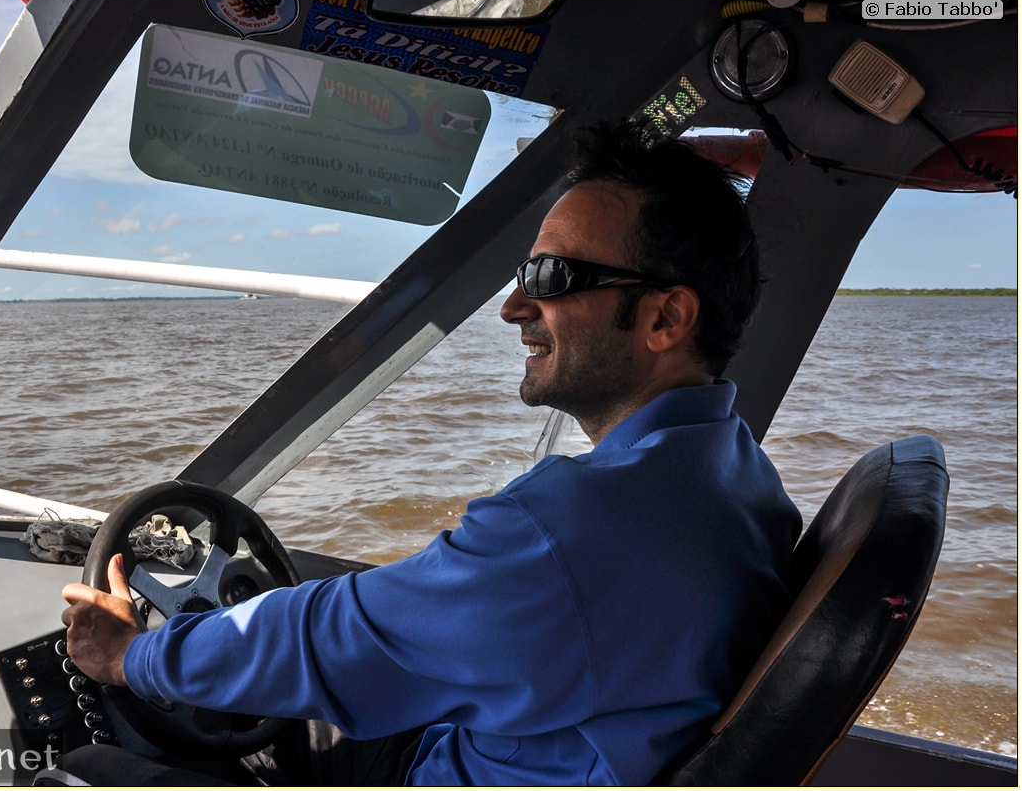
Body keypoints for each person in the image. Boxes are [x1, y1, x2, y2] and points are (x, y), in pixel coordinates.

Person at [50, 120, 802, 786]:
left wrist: (129, 658)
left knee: (86, 774)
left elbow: (337, 637)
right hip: (534, 741)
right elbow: (393, 630)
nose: (513, 307)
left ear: (665, 317)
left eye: (549, 277)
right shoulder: (730, 471)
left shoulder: (576, 524)